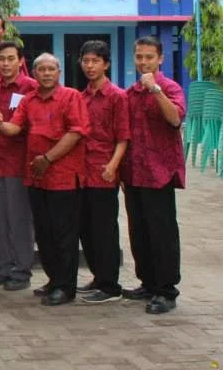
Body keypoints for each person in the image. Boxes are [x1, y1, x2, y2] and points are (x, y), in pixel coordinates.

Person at [0, 53, 89, 307]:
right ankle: (54, 280)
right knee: (44, 233)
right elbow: (15, 127)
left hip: (63, 177)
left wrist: (48, 157)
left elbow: (75, 133)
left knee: (63, 234)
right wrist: (0, 124)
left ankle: (66, 287)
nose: (46, 74)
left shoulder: (71, 96)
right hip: (36, 178)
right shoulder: (29, 100)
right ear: (34, 73)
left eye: (51, 69)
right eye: (41, 70)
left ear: (59, 72)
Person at [122, 36, 186, 314]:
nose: (143, 62)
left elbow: (175, 118)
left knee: (162, 233)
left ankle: (166, 290)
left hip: (160, 173)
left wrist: (156, 90)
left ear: (160, 59)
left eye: (149, 57)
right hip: (134, 173)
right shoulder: (131, 94)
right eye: (139, 56)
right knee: (139, 231)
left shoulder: (170, 88)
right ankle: (147, 282)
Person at [77, 40, 130, 304]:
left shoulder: (117, 96)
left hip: (103, 172)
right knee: (85, 228)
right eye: (86, 61)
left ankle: (110, 285)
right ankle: (98, 276)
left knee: (104, 230)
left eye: (95, 61)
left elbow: (123, 137)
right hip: (82, 172)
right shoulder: (81, 97)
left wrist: (113, 165)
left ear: (106, 64)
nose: (90, 66)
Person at [0, 40, 38, 291]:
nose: (5, 64)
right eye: (1, 59)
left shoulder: (31, 88)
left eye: (10, 59)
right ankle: (2, 268)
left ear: (21, 61)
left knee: (19, 220)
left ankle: (21, 270)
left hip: (19, 164)